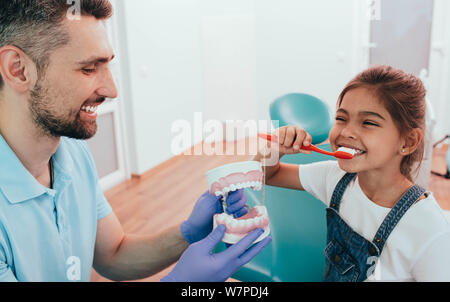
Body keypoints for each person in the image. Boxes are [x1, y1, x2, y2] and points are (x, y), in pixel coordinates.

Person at [0, 0, 271, 282]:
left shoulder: (73, 154)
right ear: (18, 69)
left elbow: (114, 254)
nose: (112, 90)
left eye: (107, 66)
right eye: (89, 69)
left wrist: (189, 232)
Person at [254, 65, 450, 281]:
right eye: (341, 118)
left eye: (368, 122)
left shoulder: (429, 229)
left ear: (408, 141)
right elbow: (264, 174)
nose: (346, 132)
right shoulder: (334, 177)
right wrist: (275, 149)